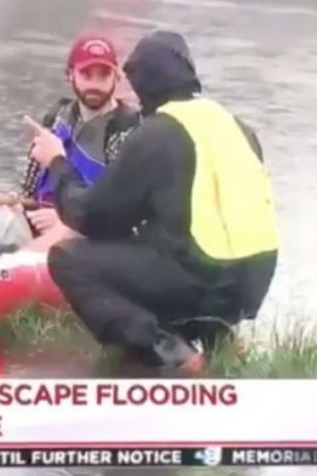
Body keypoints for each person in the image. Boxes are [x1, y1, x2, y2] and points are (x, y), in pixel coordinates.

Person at [27, 30, 279, 373]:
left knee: (69, 258)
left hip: (202, 281)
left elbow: (90, 217)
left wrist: (57, 163)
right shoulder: (238, 127)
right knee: (165, 242)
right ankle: (219, 337)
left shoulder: (158, 132)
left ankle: (168, 350)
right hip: (252, 287)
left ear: (144, 82)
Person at [0, 35, 141, 257]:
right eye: (86, 74)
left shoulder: (125, 131)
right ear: (70, 75)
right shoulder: (56, 119)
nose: (95, 85)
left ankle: (11, 266)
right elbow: (27, 192)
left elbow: (116, 210)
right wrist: (14, 204)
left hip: (87, 233)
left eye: (104, 75)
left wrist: (65, 219)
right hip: (39, 221)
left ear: (117, 76)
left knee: (63, 232)